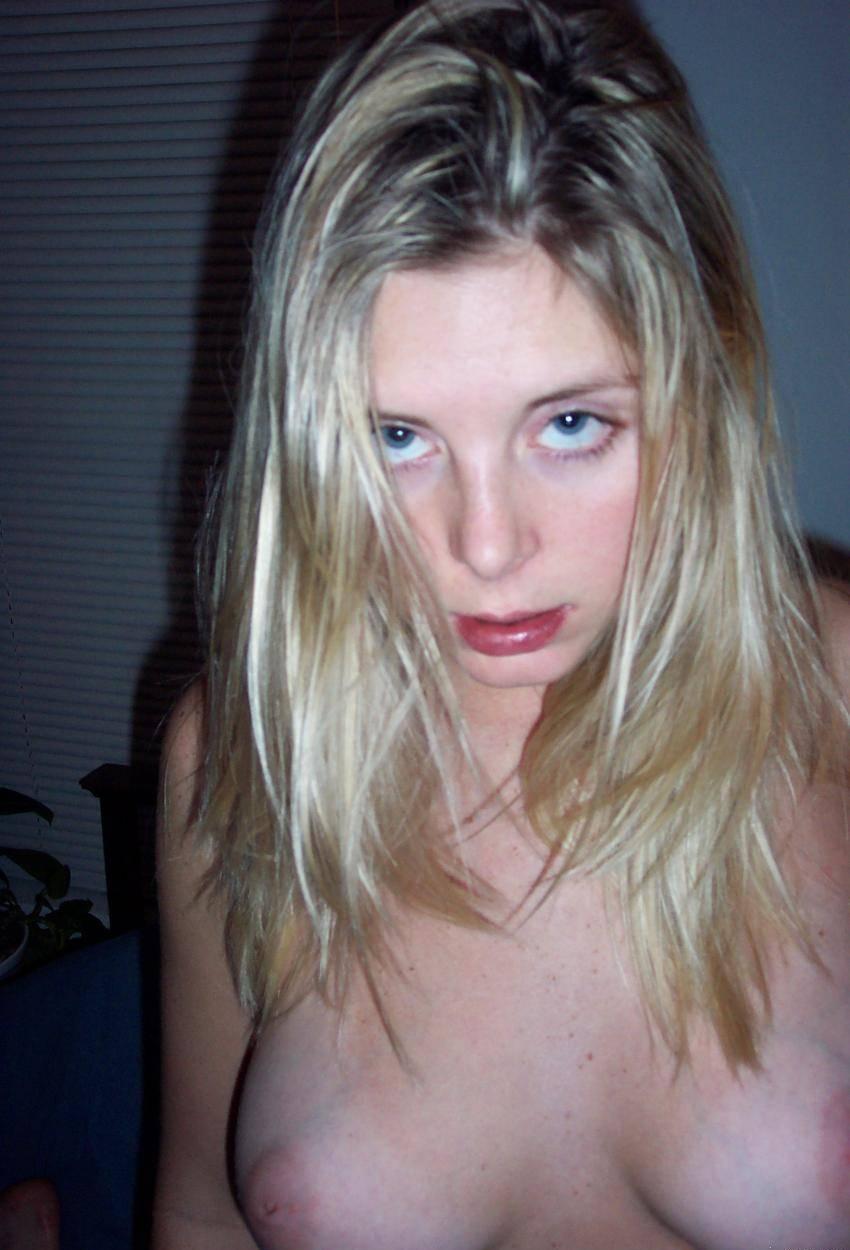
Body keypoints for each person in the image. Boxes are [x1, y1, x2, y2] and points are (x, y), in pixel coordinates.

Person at [152, 1, 850, 1246]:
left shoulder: (835, 687)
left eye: (568, 424)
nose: (484, 548)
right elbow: (202, 1213)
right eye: (397, 438)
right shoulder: (244, 754)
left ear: (701, 386)